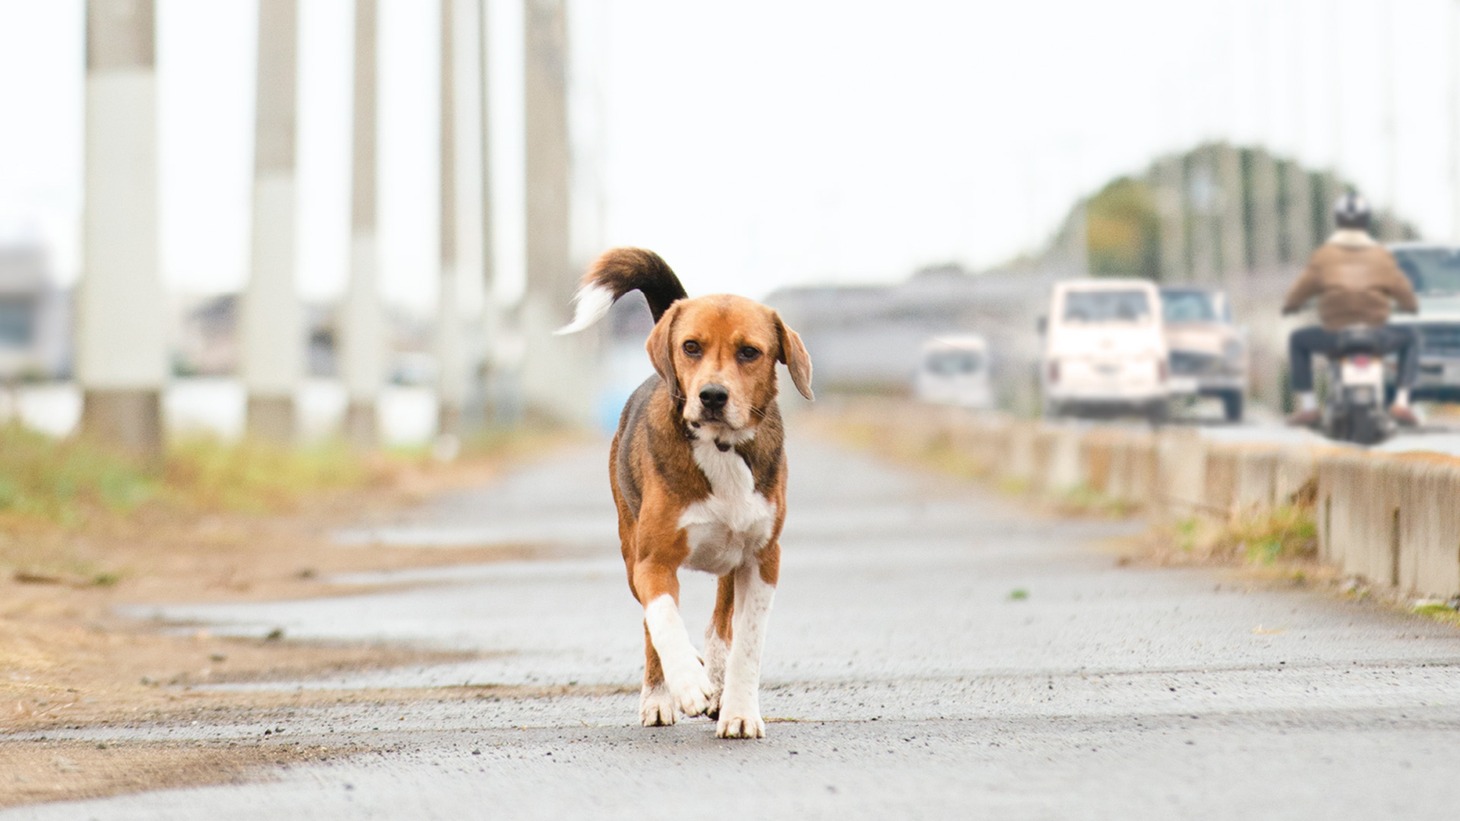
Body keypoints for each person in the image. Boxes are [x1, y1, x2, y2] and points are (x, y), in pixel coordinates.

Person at [1281, 192, 1419, 426]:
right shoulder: (1382, 255)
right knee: (1412, 337)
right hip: (1376, 336)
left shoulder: (1323, 255)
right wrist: (1410, 307)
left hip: (1335, 336)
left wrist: (1290, 306)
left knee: (1297, 339)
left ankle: (1309, 407)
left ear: (1337, 220)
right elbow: (1405, 294)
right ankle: (1402, 402)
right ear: (1367, 221)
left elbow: (1299, 292)